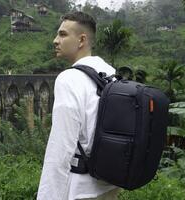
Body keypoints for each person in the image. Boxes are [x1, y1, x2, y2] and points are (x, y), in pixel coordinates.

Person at [37, 11, 119, 200]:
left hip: (80, 190)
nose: (55, 40)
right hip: (108, 186)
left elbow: (60, 149)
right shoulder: (109, 73)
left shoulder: (69, 79)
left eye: (63, 34)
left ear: (81, 40)